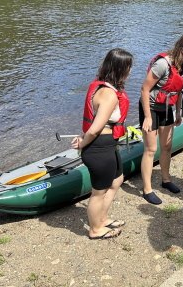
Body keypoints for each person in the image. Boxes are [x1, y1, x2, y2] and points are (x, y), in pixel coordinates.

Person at [71, 48, 133, 240]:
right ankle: (95, 229)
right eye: (128, 67)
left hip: (107, 145)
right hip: (99, 147)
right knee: (99, 192)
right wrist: (82, 143)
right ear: (120, 69)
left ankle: (102, 219)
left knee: (117, 180)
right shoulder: (109, 94)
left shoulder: (102, 87)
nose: (130, 71)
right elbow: (94, 129)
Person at [140, 32, 183, 205]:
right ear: (181, 49)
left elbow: (178, 90)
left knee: (167, 146)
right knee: (151, 149)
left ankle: (166, 180)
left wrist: (179, 112)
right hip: (151, 107)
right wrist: (147, 117)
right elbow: (144, 90)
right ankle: (147, 190)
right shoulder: (162, 64)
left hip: (167, 107)